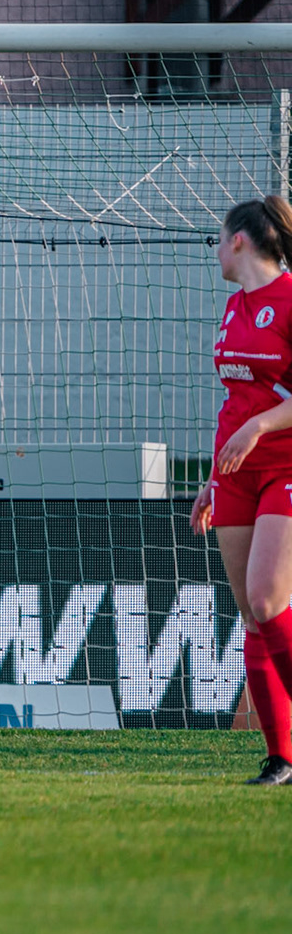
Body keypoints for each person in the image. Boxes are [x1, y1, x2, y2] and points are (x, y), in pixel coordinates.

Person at [191, 195, 292, 785]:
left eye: (218, 237)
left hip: (284, 464)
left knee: (266, 600)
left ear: (239, 241)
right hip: (235, 473)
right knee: (252, 622)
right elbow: (236, 403)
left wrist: (259, 428)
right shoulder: (233, 307)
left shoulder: (290, 299)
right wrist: (211, 477)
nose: (215, 248)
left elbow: (261, 412)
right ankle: (281, 758)